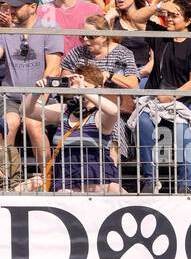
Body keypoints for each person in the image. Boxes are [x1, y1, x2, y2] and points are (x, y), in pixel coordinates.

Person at [132, 0, 191, 192]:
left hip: (182, 102)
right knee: (142, 122)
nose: (169, 19)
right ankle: (151, 180)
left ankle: (185, 185)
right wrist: (158, 6)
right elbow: (136, 18)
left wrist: (172, 96)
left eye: (175, 16)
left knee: (181, 131)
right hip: (155, 102)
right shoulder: (160, 35)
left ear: (188, 21)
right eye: (167, 15)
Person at [15, 65, 123, 193]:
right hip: (66, 176)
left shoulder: (99, 115)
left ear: (98, 88)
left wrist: (83, 90)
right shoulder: (65, 110)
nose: (80, 92)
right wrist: (37, 91)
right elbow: (26, 111)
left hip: (97, 176)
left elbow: (114, 111)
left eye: (86, 87)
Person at [0, 0, 59, 185]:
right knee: (8, 125)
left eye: (16, 7)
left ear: (33, 7)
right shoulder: (6, 30)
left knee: (33, 124)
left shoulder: (49, 29)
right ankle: (8, 179)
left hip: (39, 95)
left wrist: (38, 98)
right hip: (11, 96)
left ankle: (48, 177)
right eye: (9, 7)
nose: (11, 11)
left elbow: (53, 69)